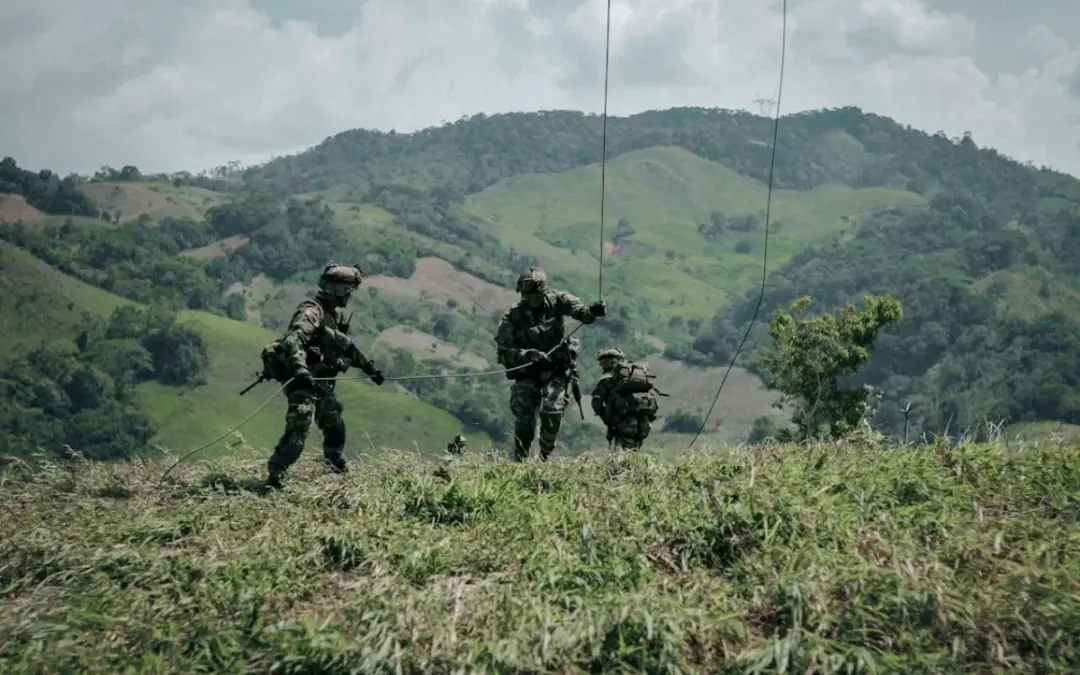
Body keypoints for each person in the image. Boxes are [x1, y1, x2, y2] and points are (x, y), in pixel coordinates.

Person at [265, 263, 385, 489]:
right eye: (348, 291)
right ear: (339, 290)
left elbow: (347, 347)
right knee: (299, 430)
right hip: (302, 379)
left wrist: (371, 371)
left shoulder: (329, 316)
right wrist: (300, 368)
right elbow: (293, 340)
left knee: (335, 425)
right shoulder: (312, 312)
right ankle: (275, 475)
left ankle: (335, 467)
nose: (349, 296)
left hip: (318, 382)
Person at [494, 266, 605, 461]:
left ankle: (544, 457)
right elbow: (503, 353)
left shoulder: (559, 300)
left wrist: (592, 312)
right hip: (527, 372)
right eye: (528, 295)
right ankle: (520, 460)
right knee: (525, 422)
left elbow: (581, 312)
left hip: (556, 368)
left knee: (552, 410)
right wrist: (527, 355)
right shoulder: (512, 316)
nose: (532, 299)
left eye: (536, 295)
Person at [590, 348, 659, 451]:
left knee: (622, 456)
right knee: (635, 453)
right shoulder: (633, 375)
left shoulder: (607, 379)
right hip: (643, 423)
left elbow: (596, 402)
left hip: (624, 424)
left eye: (602, 361)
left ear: (606, 361)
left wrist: (608, 419)